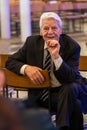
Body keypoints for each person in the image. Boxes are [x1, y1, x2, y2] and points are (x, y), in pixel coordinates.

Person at [6, 12, 87, 130]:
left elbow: (70, 78)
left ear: (60, 30)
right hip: (42, 96)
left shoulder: (72, 46)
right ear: (40, 31)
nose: (50, 32)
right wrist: (26, 68)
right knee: (75, 105)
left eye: (54, 28)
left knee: (69, 88)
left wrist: (56, 57)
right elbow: (10, 61)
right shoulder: (32, 43)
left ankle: (60, 126)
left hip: (67, 90)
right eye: (46, 28)